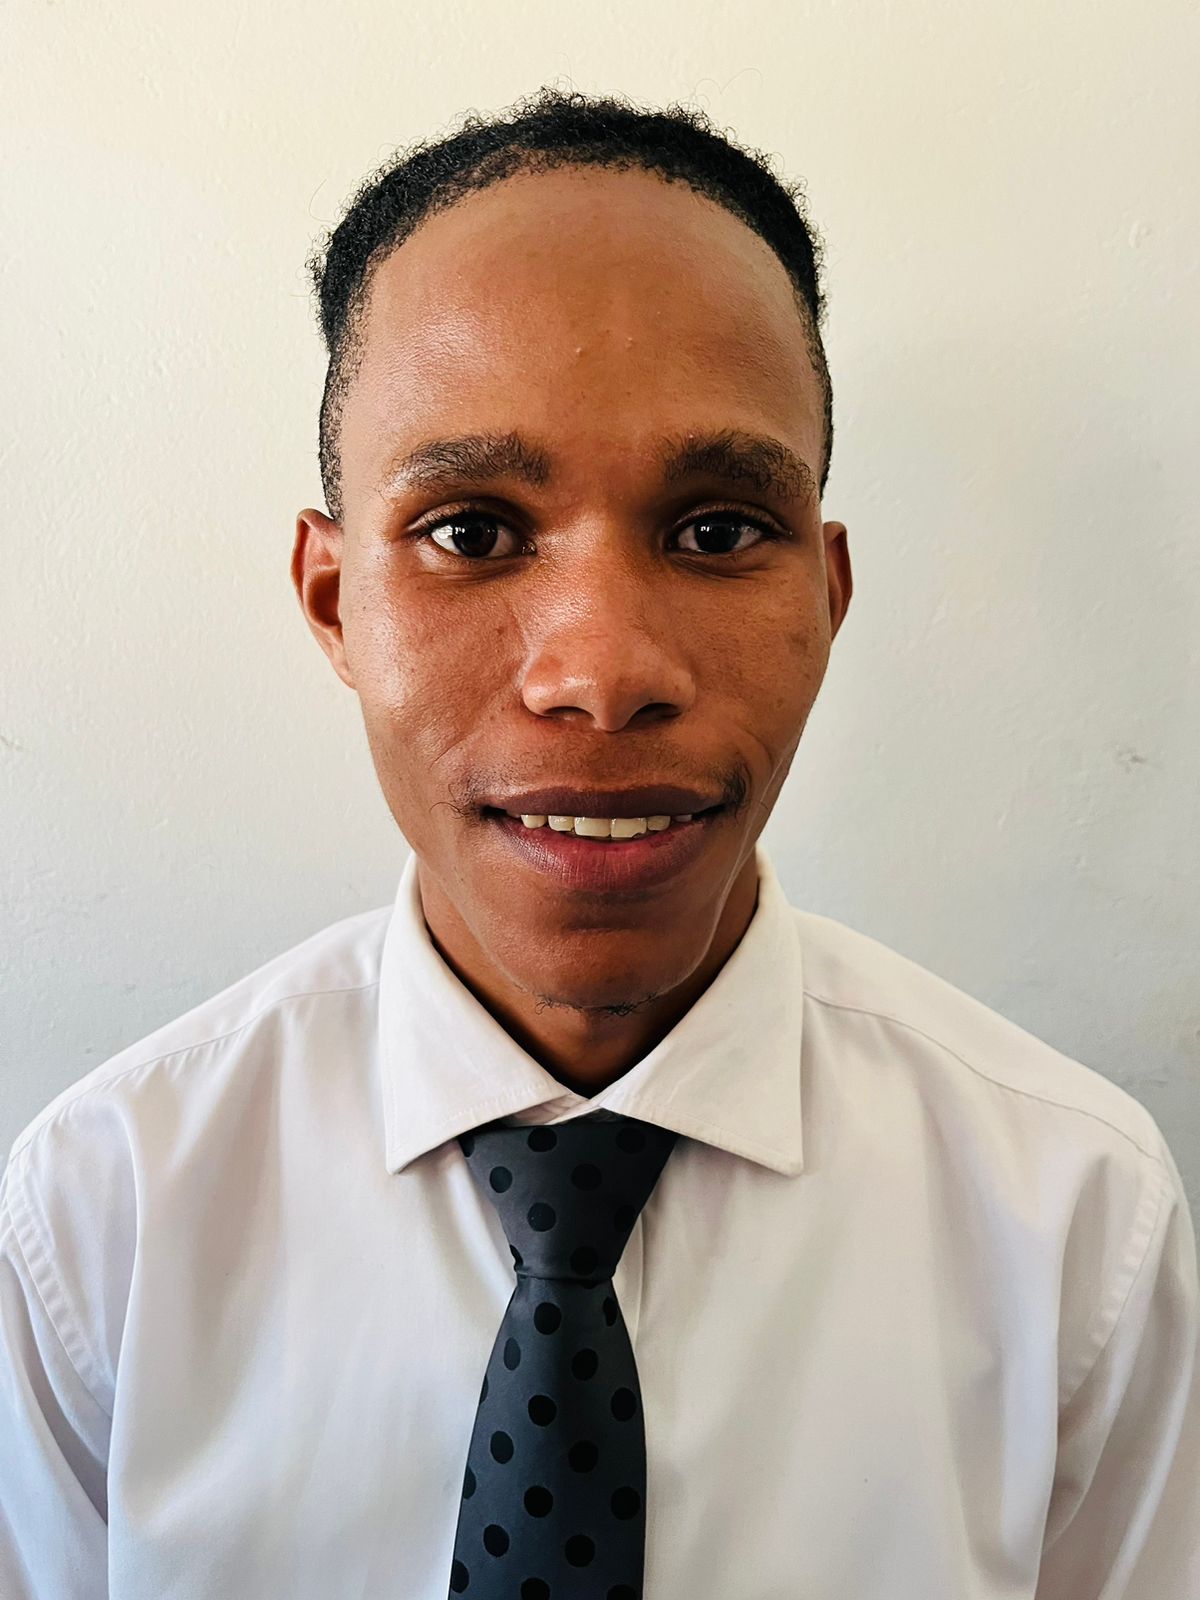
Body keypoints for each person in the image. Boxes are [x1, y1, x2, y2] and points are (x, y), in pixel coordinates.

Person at [2, 87, 1196, 1600]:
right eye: (472, 531)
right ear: (333, 603)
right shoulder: (102, 1217)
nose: (603, 671)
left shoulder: (1077, 1220)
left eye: (717, 530)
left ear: (828, 597)